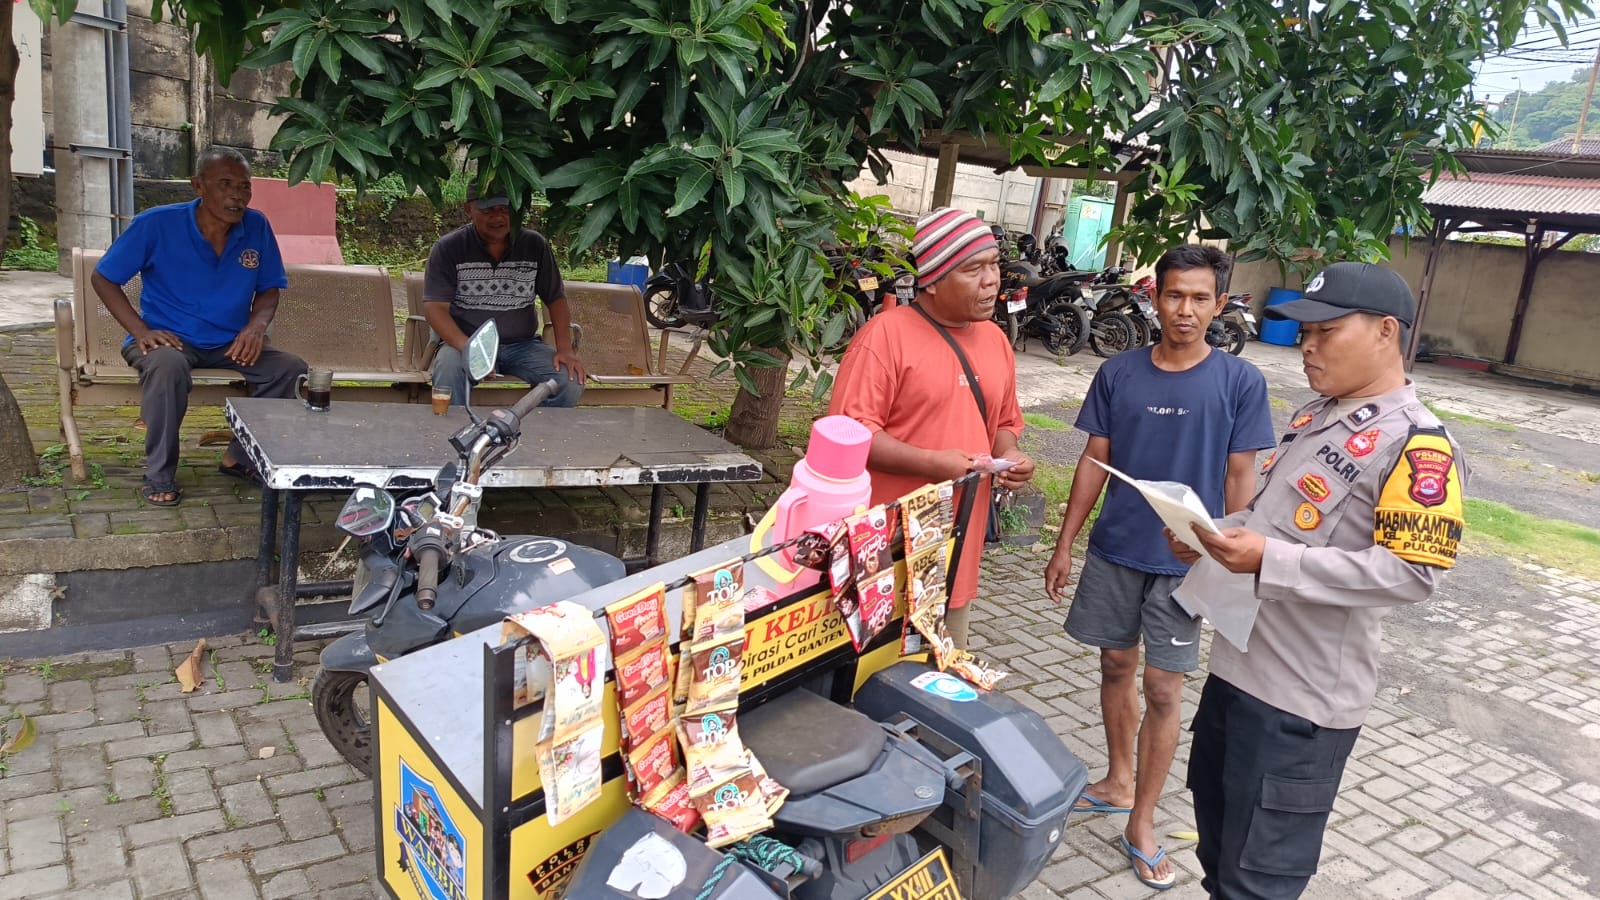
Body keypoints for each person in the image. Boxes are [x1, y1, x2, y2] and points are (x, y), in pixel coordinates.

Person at [1169, 262, 1467, 899]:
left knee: (1257, 884)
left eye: (1326, 332)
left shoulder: (1417, 444)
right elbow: (1270, 519)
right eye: (1304, 333)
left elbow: (1412, 572)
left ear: (1386, 331)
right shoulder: (1318, 416)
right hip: (1237, 672)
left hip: (1299, 706)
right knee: (1218, 861)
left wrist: (1269, 561)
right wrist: (1209, 535)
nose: (1307, 346)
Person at [1043, 244, 1275, 891]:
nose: (1185, 310)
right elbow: (1094, 460)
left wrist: (1227, 554)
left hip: (1185, 565)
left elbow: (1241, 478)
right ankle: (1118, 780)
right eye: (1175, 295)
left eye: (1200, 298)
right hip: (1116, 550)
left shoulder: (1240, 382)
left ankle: (1142, 821)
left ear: (1219, 304)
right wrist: (1065, 542)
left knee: (1165, 690)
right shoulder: (1118, 372)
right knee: (1115, 665)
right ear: (1155, 297)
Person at [829, 207, 1034, 650]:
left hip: (956, 550)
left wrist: (1010, 454)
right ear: (934, 280)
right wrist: (931, 463)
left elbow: (1003, 422)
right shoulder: (885, 336)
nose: (991, 280)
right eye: (973, 269)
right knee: (871, 670)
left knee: (942, 666)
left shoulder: (996, 340)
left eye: (994, 264)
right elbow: (851, 435)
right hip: (885, 550)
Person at [92, 146, 305, 507]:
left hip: (229, 342)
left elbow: (269, 288)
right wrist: (141, 331)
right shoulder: (156, 224)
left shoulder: (256, 226)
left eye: (245, 186)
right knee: (167, 366)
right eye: (225, 184)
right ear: (198, 186)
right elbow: (103, 278)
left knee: (290, 369)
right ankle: (159, 474)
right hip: (168, 340)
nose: (237, 195)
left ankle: (238, 458)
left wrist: (256, 327)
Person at [423, 179, 585, 405]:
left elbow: (556, 299)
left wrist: (565, 349)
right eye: (488, 210)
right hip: (466, 343)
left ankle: (536, 428)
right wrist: (469, 348)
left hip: (523, 346)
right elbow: (435, 308)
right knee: (448, 371)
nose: (498, 217)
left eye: (505, 209)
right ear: (469, 209)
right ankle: (457, 428)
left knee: (569, 380)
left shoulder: (534, 245)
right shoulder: (449, 248)